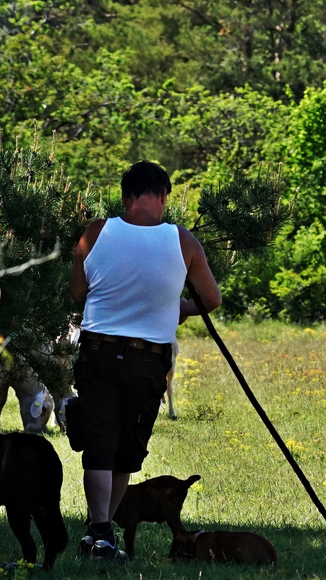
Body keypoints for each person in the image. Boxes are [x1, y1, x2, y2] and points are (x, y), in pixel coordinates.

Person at [67, 161, 221, 559]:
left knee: (99, 441)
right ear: (164, 196)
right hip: (148, 358)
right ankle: (101, 531)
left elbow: (78, 292)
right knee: (126, 448)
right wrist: (177, 307)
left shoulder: (97, 232)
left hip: (98, 349)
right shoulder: (183, 241)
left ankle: (99, 531)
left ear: (125, 196)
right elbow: (211, 299)